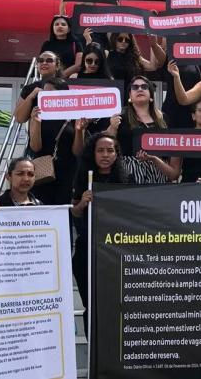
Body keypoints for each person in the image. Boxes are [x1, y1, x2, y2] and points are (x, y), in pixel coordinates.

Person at [71, 133, 129, 334]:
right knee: (91, 303)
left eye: (110, 150)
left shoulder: (124, 180)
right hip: (87, 249)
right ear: (93, 153)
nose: (105, 155)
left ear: (116, 154)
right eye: (100, 150)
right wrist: (82, 203)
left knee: (113, 304)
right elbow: (74, 212)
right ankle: (92, 351)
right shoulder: (82, 177)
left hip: (114, 251)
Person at [107, 76, 176, 184]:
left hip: (158, 173)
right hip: (129, 174)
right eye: (135, 87)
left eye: (144, 87)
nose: (140, 89)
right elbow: (107, 144)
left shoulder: (164, 118)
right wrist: (112, 127)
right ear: (130, 95)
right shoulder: (120, 116)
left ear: (151, 95)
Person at [28, 77, 82, 205]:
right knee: (42, 208)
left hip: (67, 171)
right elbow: (35, 147)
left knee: (64, 210)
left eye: (50, 93)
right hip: (42, 171)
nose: (45, 96)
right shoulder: (38, 115)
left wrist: (79, 130)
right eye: (44, 93)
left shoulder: (74, 115)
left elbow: (77, 151)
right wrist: (35, 122)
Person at [14, 51, 64, 123]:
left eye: (49, 60)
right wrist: (31, 96)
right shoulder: (29, 88)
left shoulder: (67, 86)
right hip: (38, 133)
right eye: (40, 60)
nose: (44, 63)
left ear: (57, 66)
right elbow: (19, 119)